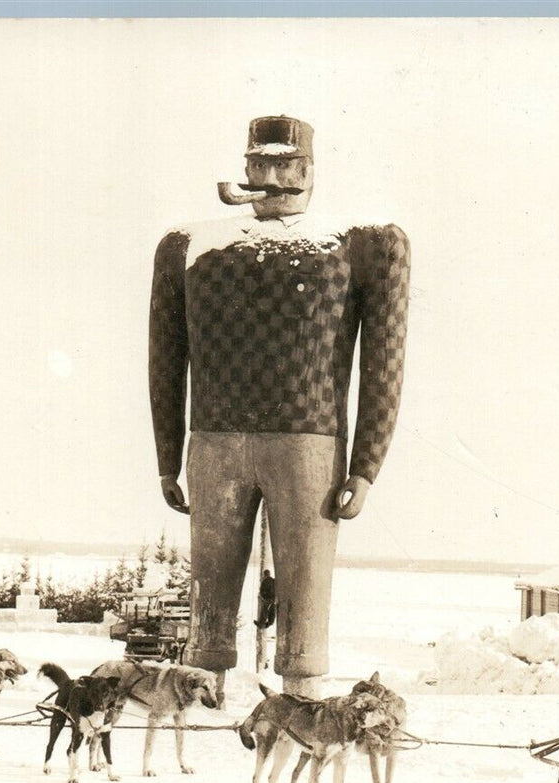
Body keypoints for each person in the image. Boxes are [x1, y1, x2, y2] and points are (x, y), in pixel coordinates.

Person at [149, 115, 411, 697]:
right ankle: (204, 682)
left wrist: (366, 466)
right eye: (260, 164)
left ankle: (303, 689)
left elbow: (385, 364)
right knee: (211, 576)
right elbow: (165, 358)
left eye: (285, 165)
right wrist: (168, 456)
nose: (271, 177)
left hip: (309, 440)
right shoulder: (188, 246)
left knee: (306, 575)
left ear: (309, 171)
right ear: (244, 168)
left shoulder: (363, 244)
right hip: (213, 438)